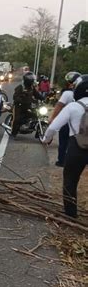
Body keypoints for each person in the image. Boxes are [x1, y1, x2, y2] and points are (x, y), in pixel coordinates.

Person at [43, 75, 88, 218]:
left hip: (77, 147)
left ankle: (71, 214)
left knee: (70, 180)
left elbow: (53, 127)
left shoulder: (73, 107)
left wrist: (46, 139)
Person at [49, 71, 81, 167]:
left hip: (66, 122)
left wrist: (52, 118)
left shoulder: (67, 93)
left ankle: (61, 161)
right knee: (76, 143)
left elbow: (59, 107)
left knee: (63, 142)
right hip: (79, 123)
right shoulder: (83, 94)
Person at [11, 71, 43, 138]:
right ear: (28, 80)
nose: (33, 82)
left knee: (35, 115)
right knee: (17, 119)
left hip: (27, 106)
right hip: (19, 106)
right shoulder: (20, 87)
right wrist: (21, 99)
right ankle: (13, 133)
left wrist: (43, 98)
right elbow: (15, 97)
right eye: (32, 80)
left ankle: (33, 129)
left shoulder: (31, 88)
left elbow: (37, 94)